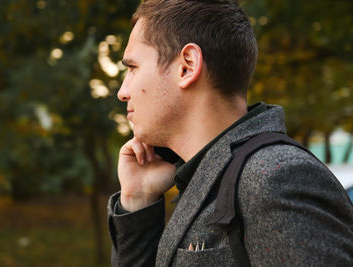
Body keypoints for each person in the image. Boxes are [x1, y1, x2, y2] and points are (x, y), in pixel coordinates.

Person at [107, 0, 353, 266]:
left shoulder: (274, 177)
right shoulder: (211, 177)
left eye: (132, 68)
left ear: (187, 66)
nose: (122, 92)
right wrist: (138, 200)